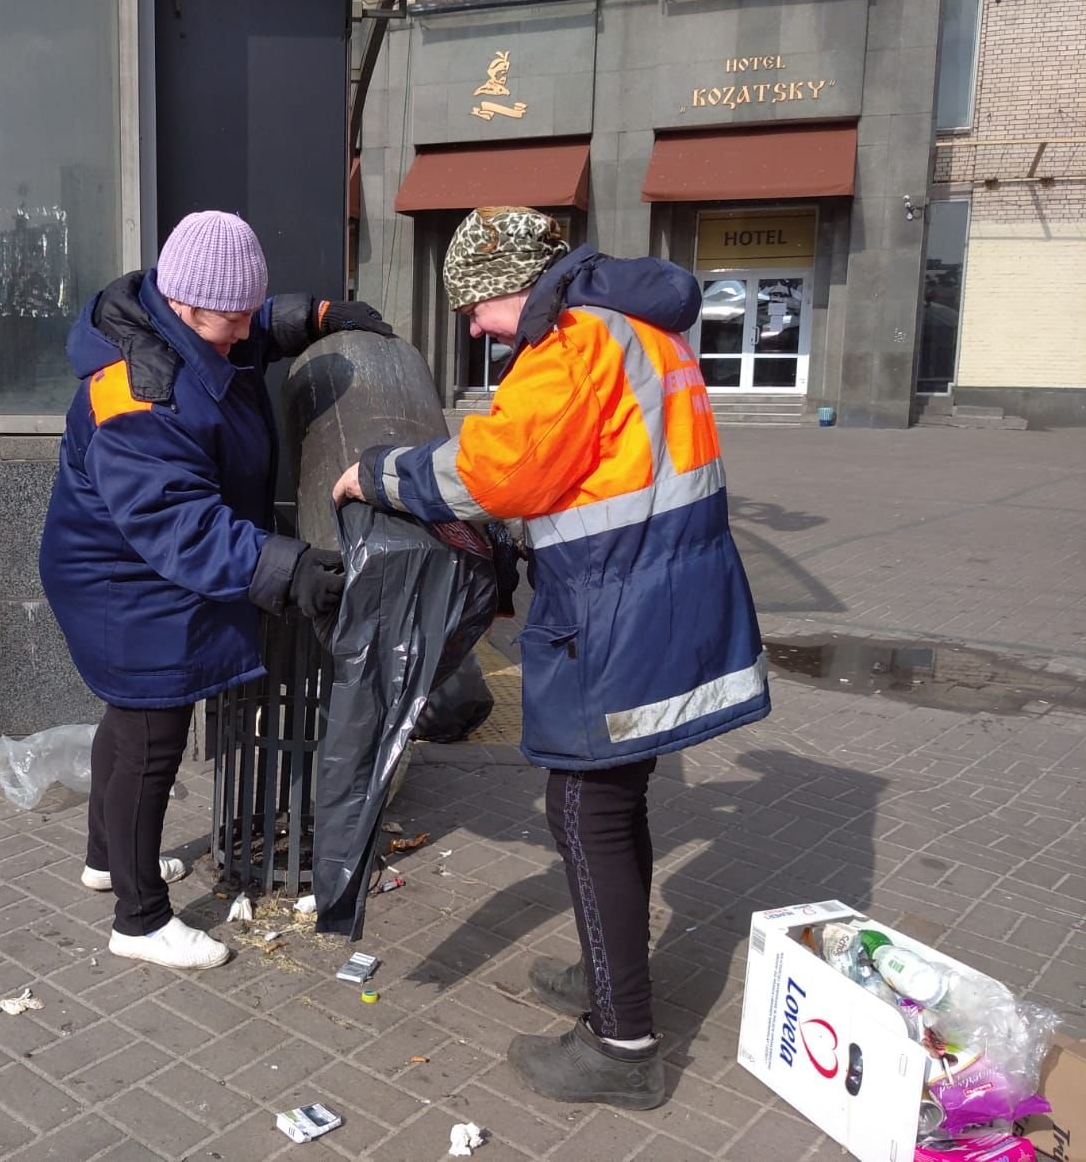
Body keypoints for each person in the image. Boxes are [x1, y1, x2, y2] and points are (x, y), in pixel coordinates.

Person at [332, 206, 769, 1108]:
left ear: (510, 286)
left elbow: (498, 472)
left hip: (621, 604)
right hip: (663, 590)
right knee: (614, 798)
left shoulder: (572, 343)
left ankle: (623, 1044)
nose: (473, 329)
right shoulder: (637, 325)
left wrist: (377, 472)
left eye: (473, 308)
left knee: (583, 805)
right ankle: (613, 974)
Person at [41, 210, 392, 970]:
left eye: (246, 313)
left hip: (134, 569)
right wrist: (287, 569)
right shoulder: (138, 395)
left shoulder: (181, 325)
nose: (242, 335)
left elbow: (246, 326)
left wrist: (312, 316)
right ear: (184, 304)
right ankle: (139, 921)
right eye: (230, 319)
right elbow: (179, 522)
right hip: (125, 581)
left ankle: (107, 860)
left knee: (127, 723)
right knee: (150, 739)